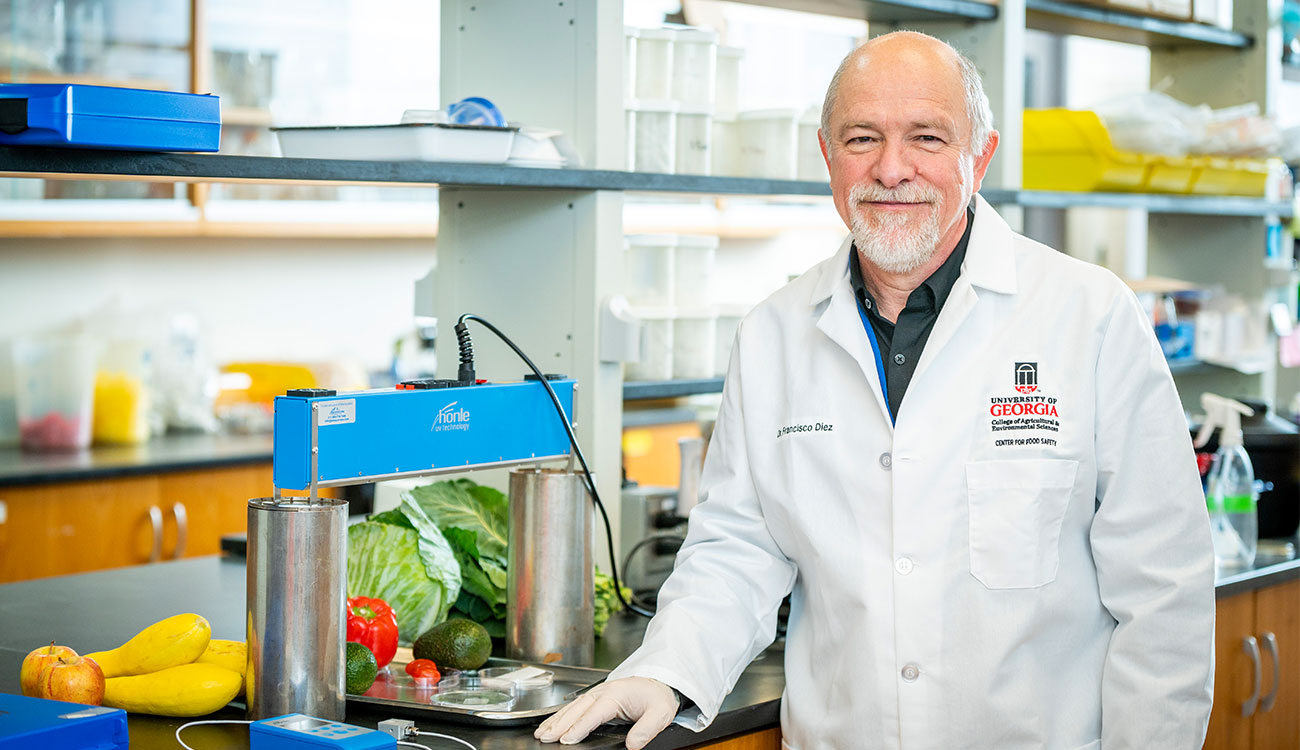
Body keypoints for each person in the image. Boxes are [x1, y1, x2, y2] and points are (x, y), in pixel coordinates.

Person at [537, 30, 1215, 749]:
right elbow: (738, 547)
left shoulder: (1090, 316)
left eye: (926, 137)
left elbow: (1164, 592)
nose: (892, 170)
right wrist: (667, 669)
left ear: (978, 157)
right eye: (862, 138)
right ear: (827, 156)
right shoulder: (773, 334)